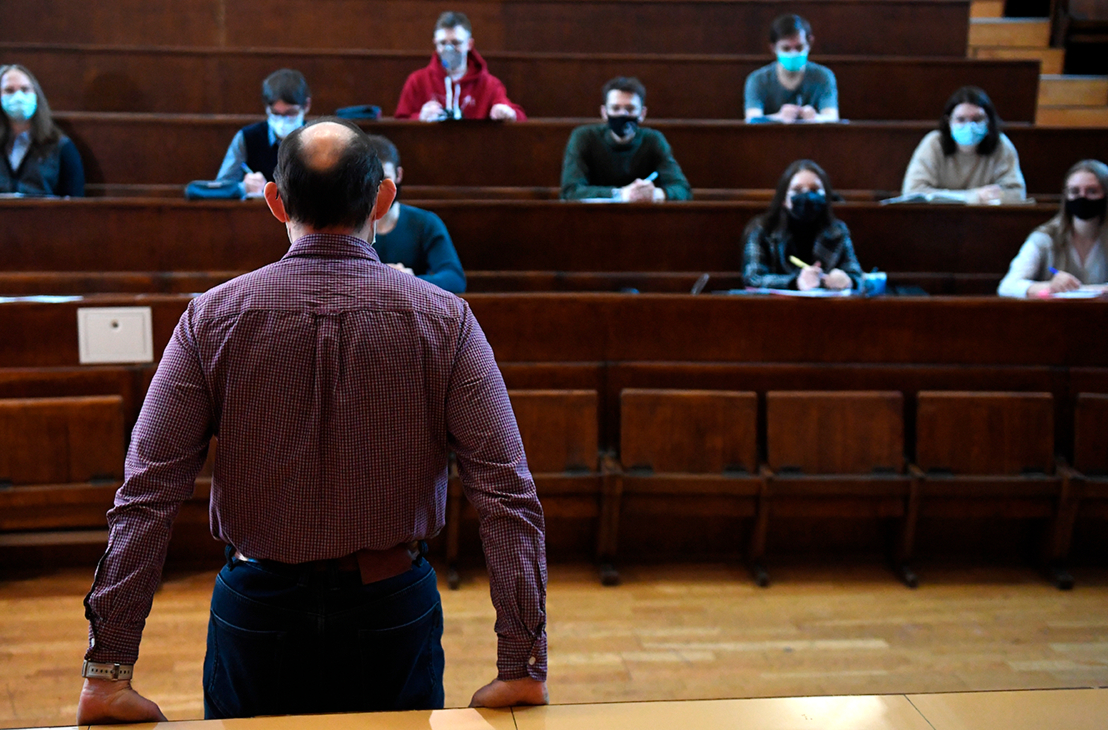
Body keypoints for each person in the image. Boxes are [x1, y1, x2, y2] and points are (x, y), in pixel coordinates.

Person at [76, 119, 548, 723]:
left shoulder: (211, 318)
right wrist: (522, 665)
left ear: (275, 202)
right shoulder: (446, 321)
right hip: (391, 607)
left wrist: (106, 670)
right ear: (383, 196)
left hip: (257, 610)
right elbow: (508, 493)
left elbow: (145, 494)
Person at [998, 159, 1108, 297]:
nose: (1082, 197)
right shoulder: (1045, 237)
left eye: (1091, 191)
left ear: (1107, 195)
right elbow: (1007, 286)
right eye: (1074, 191)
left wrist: (1106, 289)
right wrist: (1049, 286)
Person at [560, 77, 692, 202]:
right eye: (615, 108)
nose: (623, 114)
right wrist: (621, 194)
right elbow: (570, 191)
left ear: (642, 113)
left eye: (630, 109)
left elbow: (683, 190)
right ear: (604, 112)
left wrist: (655, 194)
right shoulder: (584, 137)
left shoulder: (653, 140)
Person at [742, 159, 862, 290]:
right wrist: (795, 282)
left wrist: (848, 281)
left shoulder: (837, 230)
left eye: (815, 190)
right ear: (783, 199)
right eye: (797, 190)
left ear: (826, 196)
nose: (807, 196)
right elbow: (753, 278)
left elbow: (858, 276)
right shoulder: (763, 229)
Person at [0, 64, 84, 197]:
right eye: (9, 90)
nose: (18, 97)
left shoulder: (61, 147)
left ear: (36, 95)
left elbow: (76, 203)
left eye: (25, 89)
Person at [370, 135, 467, 293]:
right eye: (371, 180)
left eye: (385, 179)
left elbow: (455, 279)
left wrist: (409, 280)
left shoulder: (424, 222)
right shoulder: (347, 224)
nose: (378, 190)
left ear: (399, 175)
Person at [902, 86, 1026, 205]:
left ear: (988, 121)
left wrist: (999, 197)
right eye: (961, 119)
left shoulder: (1001, 145)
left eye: (977, 119)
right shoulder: (933, 143)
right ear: (948, 121)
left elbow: (1017, 194)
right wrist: (973, 197)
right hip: (938, 219)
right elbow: (912, 192)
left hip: (986, 220)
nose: (969, 126)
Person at [394, 12, 526, 122]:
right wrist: (420, 118)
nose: (449, 49)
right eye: (443, 43)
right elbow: (400, 124)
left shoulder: (489, 84)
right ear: (435, 43)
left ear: (469, 44)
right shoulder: (417, 81)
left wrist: (508, 114)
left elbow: (518, 118)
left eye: (456, 43)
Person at [216, 69, 312, 195]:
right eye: (275, 113)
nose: (283, 120)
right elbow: (221, 188)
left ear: (306, 106)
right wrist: (243, 187)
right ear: (267, 108)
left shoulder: (319, 137)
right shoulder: (248, 137)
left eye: (291, 113)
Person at [744, 15, 838, 124]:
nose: (793, 53)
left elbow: (832, 119)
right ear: (773, 48)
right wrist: (779, 117)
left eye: (799, 47)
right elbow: (751, 120)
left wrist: (816, 118)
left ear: (810, 44)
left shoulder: (823, 76)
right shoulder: (758, 79)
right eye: (786, 48)